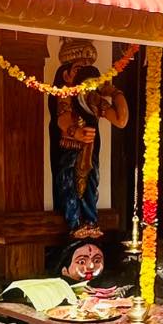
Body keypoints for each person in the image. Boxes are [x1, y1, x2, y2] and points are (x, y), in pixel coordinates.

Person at [49, 38, 129, 237]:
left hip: (91, 149)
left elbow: (121, 120)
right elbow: (62, 120)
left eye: (87, 69)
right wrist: (76, 133)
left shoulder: (93, 99)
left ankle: (91, 221)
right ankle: (75, 224)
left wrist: (115, 92)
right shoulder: (65, 94)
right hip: (70, 148)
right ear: (67, 75)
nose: (83, 73)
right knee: (69, 183)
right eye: (78, 69)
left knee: (91, 182)